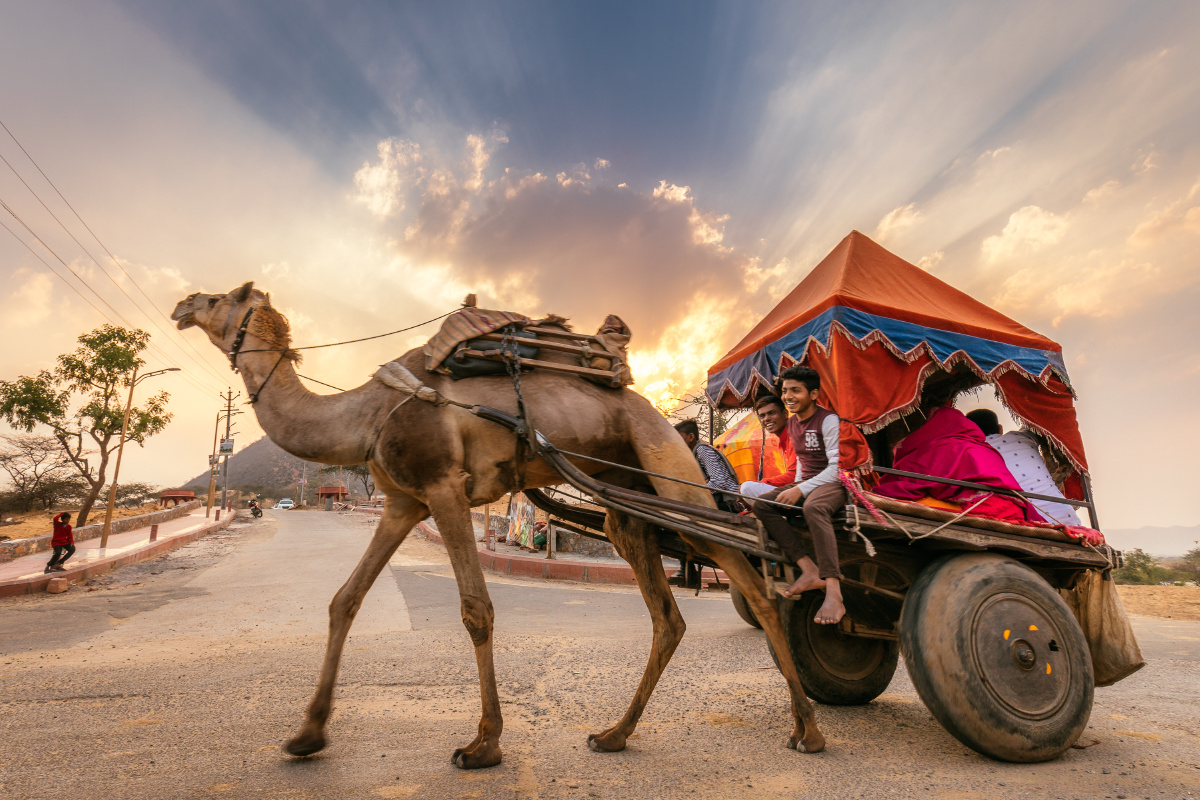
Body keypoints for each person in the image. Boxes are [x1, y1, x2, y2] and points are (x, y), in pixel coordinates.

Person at [749, 366, 847, 624]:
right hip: (808, 482)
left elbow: (837, 468)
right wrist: (795, 486)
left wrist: (800, 489)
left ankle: (834, 591)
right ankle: (808, 569)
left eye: (796, 390)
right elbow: (803, 462)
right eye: (785, 391)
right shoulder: (792, 423)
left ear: (813, 394)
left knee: (813, 508)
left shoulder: (828, 420)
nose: (788, 396)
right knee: (762, 505)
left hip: (833, 482)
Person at [875, 405, 1043, 523]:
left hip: (986, 510)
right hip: (1015, 511)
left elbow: (903, 487)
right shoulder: (986, 448)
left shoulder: (936, 449)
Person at [965, 409, 1082, 526]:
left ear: (969, 432)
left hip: (1026, 523)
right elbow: (1036, 423)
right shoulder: (1022, 438)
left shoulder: (970, 451)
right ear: (1000, 428)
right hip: (1068, 519)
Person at [674, 419, 740, 513]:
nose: (677, 442)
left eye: (679, 438)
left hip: (728, 502)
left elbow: (719, 482)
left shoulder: (702, 450)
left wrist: (697, 494)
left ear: (691, 437)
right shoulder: (695, 453)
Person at [738, 393, 797, 499]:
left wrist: (761, 483)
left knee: (746, 488)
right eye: (762, 416)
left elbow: (793, 477)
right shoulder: (784, 439)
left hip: (804, 490)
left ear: (785, 414)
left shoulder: (794, 434)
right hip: (796, 488)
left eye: (772, 413)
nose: (766, 419)